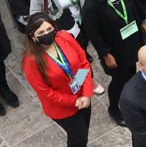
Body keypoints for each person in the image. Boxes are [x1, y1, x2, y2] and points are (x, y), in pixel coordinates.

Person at [81, 0, 146, 127]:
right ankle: (114, 108)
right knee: (119, 79)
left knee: (133, 71)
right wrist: (106, 53)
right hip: (115, 48)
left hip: (133, 40)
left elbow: (136, 6)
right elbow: (92, 32)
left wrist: (142, 21)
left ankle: (134, 98)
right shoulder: (92, 4)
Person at [22, 13, 94, 146]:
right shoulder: (31, 61)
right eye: (41, 32)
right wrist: (75, 101)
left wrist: (86, 93)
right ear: (33, 36)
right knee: (78, 137)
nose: (47, 33)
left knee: (84, 131)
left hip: (82, 95)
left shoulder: (64, 37)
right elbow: (46, 93)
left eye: (49, 29)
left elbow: (83, 63)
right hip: (62, 108)